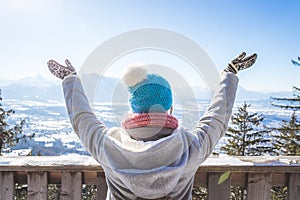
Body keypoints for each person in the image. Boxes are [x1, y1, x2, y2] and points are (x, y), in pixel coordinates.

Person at [47, 52, 257, 200]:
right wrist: (229, 75)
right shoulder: (190, 146)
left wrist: (70, 80)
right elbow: (217, 118)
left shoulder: (109, 145)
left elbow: (83, 119)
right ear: (169, 108)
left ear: (134, 108)